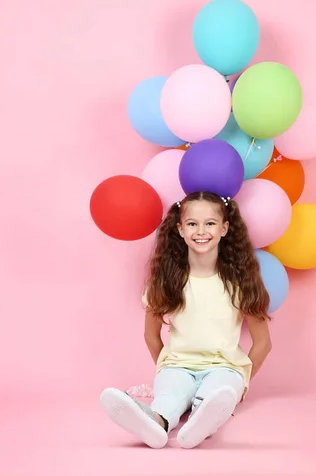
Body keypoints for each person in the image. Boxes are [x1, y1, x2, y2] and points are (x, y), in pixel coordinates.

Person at [100, 191, 272, 449]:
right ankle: (156, 423)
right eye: (192, 223)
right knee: (169, 394)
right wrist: (165, 368)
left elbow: (263, 343)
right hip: (178, 365)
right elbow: (151, 335)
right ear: (180, 230)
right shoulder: (167, 280)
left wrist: (242, 380)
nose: (201, 231)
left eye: (210, 223)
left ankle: (200, 422)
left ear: (225, 229)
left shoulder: (240, 282)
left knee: (220, 390)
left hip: (224, 367)